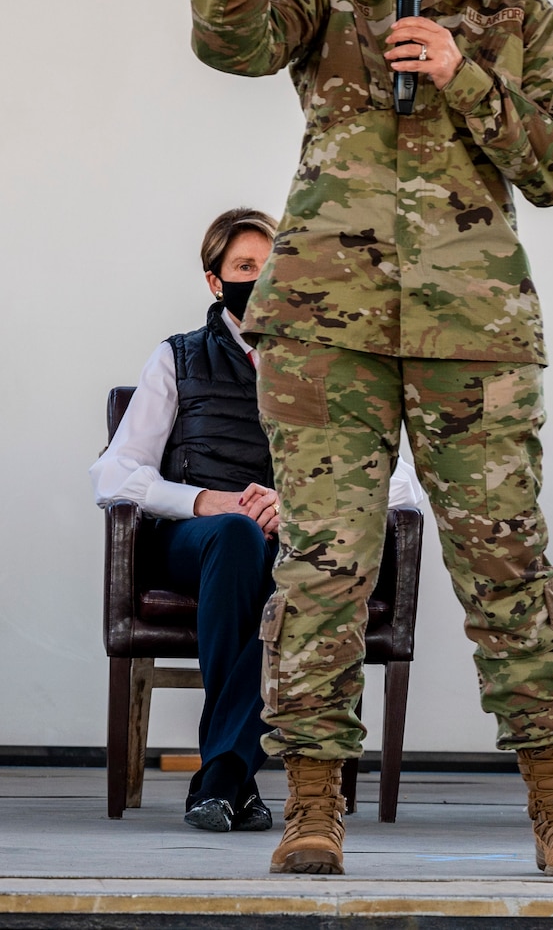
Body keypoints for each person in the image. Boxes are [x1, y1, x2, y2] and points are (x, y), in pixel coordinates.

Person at [190, 0, 553, 878]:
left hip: (471, 333)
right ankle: (312, 803)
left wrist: (463, 74)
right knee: (326, 564)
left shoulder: (520, 19)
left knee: (502, 562)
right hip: (323, 332)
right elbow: (224, 40)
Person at [92, 207, 427, 833]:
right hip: (198, 542)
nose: (261, 278)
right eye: (246, 267)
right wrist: (202, 501)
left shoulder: (330, 364)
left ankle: (224, 779)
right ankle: (230, 774)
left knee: (288, 576)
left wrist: (300, 506)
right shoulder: (178, 359)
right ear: (216, 282)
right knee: (238, 533)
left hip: (291, 545)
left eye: (271, 267)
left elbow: (401, 482)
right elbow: (112, 474)